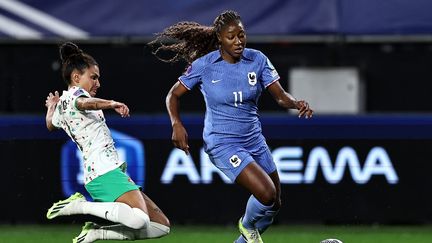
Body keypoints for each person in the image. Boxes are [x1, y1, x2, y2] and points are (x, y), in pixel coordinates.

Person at [149, 10, 313, 243]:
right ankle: (246, 226)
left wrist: (295, 103)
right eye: (231, 37)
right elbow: (173, 95)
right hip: (223, 143)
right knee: (265, 193)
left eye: (242, 35)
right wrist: (176, 124)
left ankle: (243, 239)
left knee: (274, 203)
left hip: (254, 140)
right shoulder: (204, 65)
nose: (238, 41)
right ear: (219, 39)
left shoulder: (257, 59)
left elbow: (279, 96)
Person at [45, 42, 170, 243]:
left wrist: (52, 107)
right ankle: (79, 206)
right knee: (139, 220)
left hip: (107, 170)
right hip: (103, 170)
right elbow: (84, 103)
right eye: (93, 77)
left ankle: (96, 232)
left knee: (160, 226)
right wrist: (111, 103)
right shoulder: (75, 96)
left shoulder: (62, 105)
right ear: (76, 78)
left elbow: (51, 125)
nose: (98, 83)